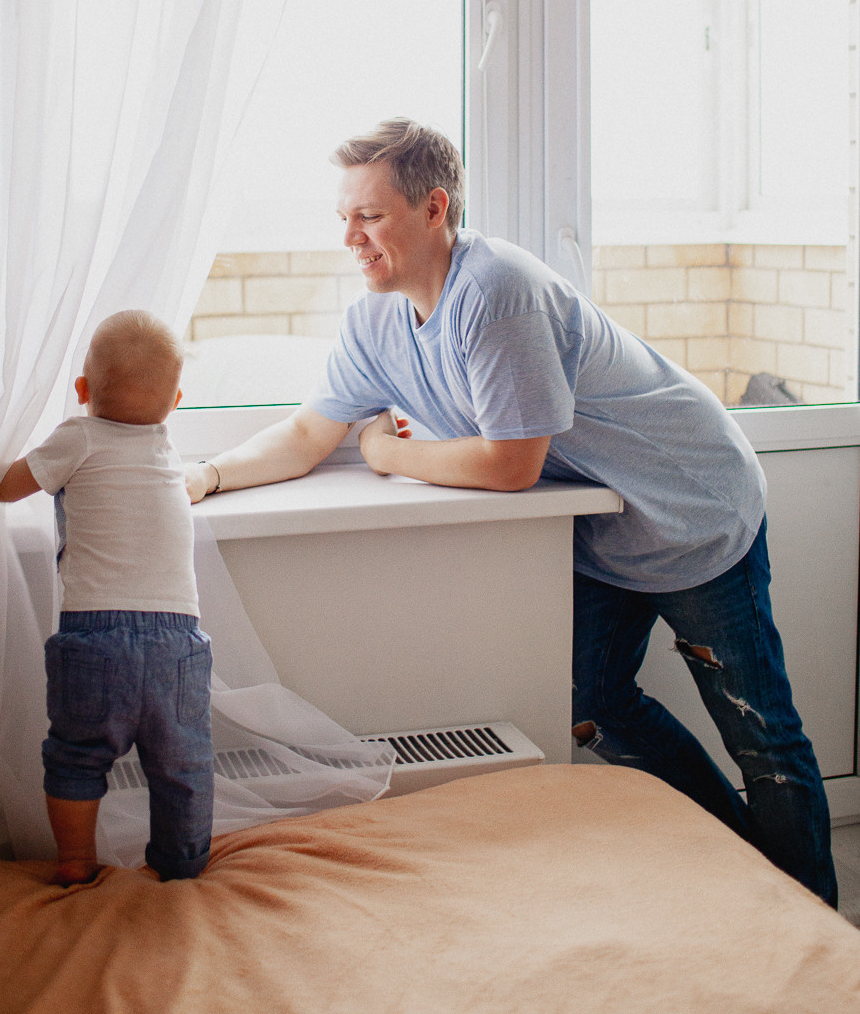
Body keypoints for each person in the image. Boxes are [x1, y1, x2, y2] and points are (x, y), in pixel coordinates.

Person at [188, 117, 838, 907]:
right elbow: (305, 434)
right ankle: (737, 862)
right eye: (344, 218)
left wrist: (391, 455)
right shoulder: (374, 318)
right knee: (585, 702)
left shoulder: (497, 293)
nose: (351, 237)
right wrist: (211, 476)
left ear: (433, 209)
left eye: (370, 215)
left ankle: (808, 912)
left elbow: (510, 463)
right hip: (603, 531)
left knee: (760, 733)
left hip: (690, 511)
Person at [0, 310, 213, 886]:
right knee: (182, 763)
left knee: (76, 756)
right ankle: (182, 864)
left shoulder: (80, 435)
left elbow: (6, 487)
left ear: (83, 391)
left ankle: (74, 860)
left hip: (96, 637)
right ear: (175, 402)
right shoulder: (167, 452)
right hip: (177, 642)